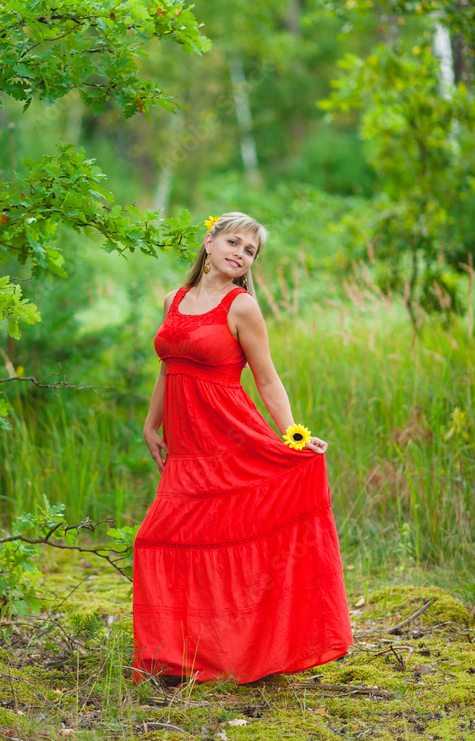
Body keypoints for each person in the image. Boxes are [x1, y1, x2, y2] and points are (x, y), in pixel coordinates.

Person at [132, 210, 353, 684]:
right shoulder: (174, 299)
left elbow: (267, 379)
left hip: (231, 437)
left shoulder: (241, 307)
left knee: (232, 539)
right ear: (209, 244)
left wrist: (292, 436)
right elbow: (169, 367)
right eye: (232, 242)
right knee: (162, 541)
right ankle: (179, 656)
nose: (239, 253)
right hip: (188, 449)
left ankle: (241, 654)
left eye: (249, 250)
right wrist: (152, 424)